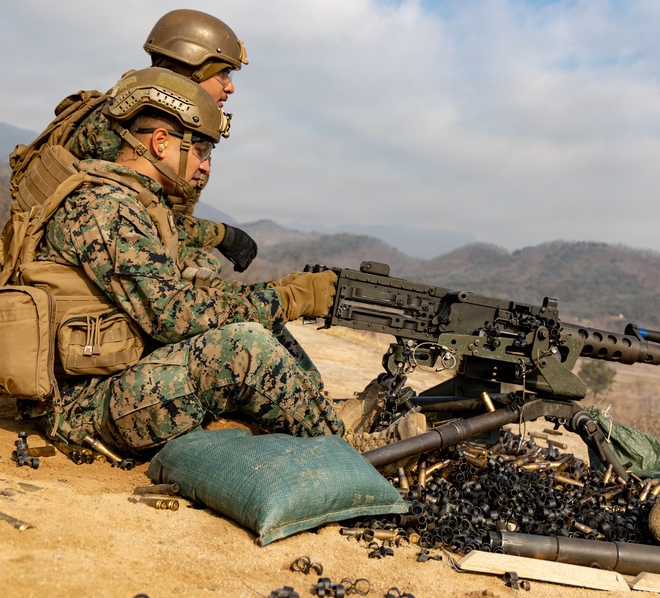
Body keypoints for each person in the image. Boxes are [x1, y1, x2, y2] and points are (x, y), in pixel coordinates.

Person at [26, 66, 421, 456]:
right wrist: (286, 300)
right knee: (243, 346)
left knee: (254, 323)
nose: (205, 165)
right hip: (80, 407)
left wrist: (277, 292)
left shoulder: (135, 203)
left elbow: (186, 299)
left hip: (119, 377)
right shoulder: (107, 208)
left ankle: (321, 415)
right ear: (161, 142)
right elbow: (175, 315)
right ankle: (351, 452)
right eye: (200, 149)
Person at [67, 9, 257, 272]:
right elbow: (127, 222)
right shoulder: (123, 126)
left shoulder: (168, 122)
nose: (230, 87)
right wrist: (220, 235)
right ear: (194, 67)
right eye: (224, 73)